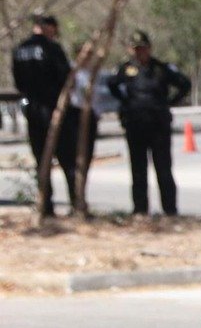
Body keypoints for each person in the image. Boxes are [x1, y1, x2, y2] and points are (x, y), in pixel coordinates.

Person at [106, 31, 191, 218]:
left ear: (149, 48)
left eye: (142, 48)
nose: (139, 52)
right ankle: (140, 209)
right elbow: (112, 84)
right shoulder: (126, 69)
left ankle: (170, 210)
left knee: (163, 168)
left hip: (158, 124)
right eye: (135, 49)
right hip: (135, 124)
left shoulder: (162, 68)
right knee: (138, 169)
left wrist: (168, 103)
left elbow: (185, 84)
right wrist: (125, 103)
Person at [11, 12, 71, 217]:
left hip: (32, 110)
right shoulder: (51, 49)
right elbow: (65, 77)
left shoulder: (19, 50)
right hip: (53, 109)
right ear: (49, 27)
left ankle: (46, 205)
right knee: (66, 158)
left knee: (41, 159)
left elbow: (18, 83)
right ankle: (75, 201)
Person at [55, 39, 102, 218]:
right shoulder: (70, 71)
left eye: (90, 53)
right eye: (84, 53)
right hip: (72, 117)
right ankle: (74, 201)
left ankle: (81, 201)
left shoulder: (95, 72)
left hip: (90, 117)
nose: (88, 57)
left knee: (86, 160)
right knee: (71, 162)